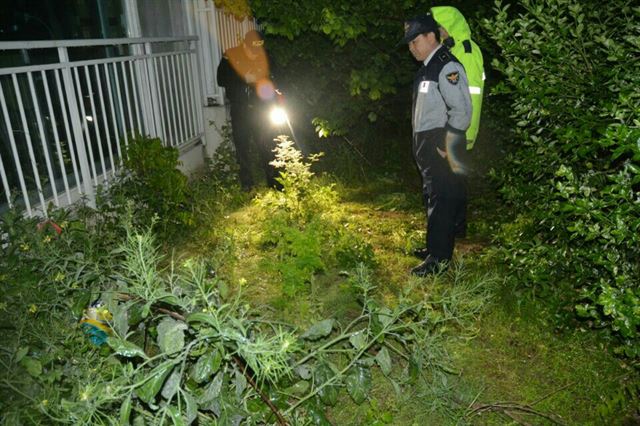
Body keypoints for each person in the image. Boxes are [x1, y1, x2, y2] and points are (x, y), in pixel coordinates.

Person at [400, 14, 472, 276]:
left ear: (432, 36)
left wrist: (446, 141)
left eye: (415, 41)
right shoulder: (427, 67)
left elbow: (462, 110)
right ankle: (434, 247)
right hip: (426, 141)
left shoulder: (446, 66)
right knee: (432, 195)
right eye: (409, 43)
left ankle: (439, 260)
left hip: (439, 142)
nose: (412, 48)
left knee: (442, 198)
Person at [432, 6, 485, 239]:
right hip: (451, 127)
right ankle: (451, 230)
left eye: (440, 26)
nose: (438, 31)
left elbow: (471, 95)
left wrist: (464, 131)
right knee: (450, 182)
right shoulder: (451, 49)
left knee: (454, 182)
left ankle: (455, 230)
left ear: (450, 25)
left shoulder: (467, 51)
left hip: (460, 129)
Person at [217, 30, 279, 189]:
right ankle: (247, 185)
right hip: (241, 110)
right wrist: (243, 79)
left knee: (266, 144)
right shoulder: (230, 56)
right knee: (242, 148)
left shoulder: (263, 55)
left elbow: (272, 76)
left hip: (260, 109)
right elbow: (221, 79)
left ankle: (274, 183)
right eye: (252, 51)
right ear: (244, 45)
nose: (255, 54)